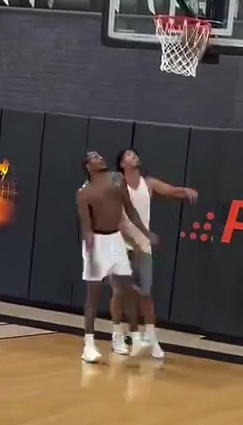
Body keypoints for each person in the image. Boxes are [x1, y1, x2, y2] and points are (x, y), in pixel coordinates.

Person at [110, 148, 198, 360]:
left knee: (145, 295)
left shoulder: (148, 183)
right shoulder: (117, 185)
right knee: (120, 293)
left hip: (143, 248)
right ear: (122, 164)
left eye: (135, 154)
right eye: (129, 155)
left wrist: (185, 191)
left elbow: (170, 191)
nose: (134, 156)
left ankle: (151, 338)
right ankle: (117, 335)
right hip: (121, 245)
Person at [77, 150, 157, 364]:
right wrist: (90, 249)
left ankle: (132, 337)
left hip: (115, 239)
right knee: (93, 295)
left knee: (126, 289)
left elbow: (130, 210)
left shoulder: (117, 179)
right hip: (96, 241)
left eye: (100, 155)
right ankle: (89, 345)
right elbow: (86, 226)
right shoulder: (84, 193)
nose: (100, 158)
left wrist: (145, 233)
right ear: (88, 166)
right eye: (94, 157)